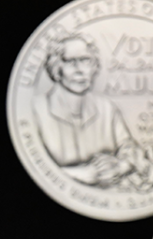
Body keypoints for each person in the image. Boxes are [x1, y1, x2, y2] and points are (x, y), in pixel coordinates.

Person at [33, 34, 141, 188]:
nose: (79, 70)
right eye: (70, 61)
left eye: (85, 60)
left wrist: (120, 165)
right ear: (56, 67)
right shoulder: (36, 110)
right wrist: (76, 174)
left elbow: (129, 148)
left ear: (94, 65)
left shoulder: (107, 108)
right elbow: (32, 165)